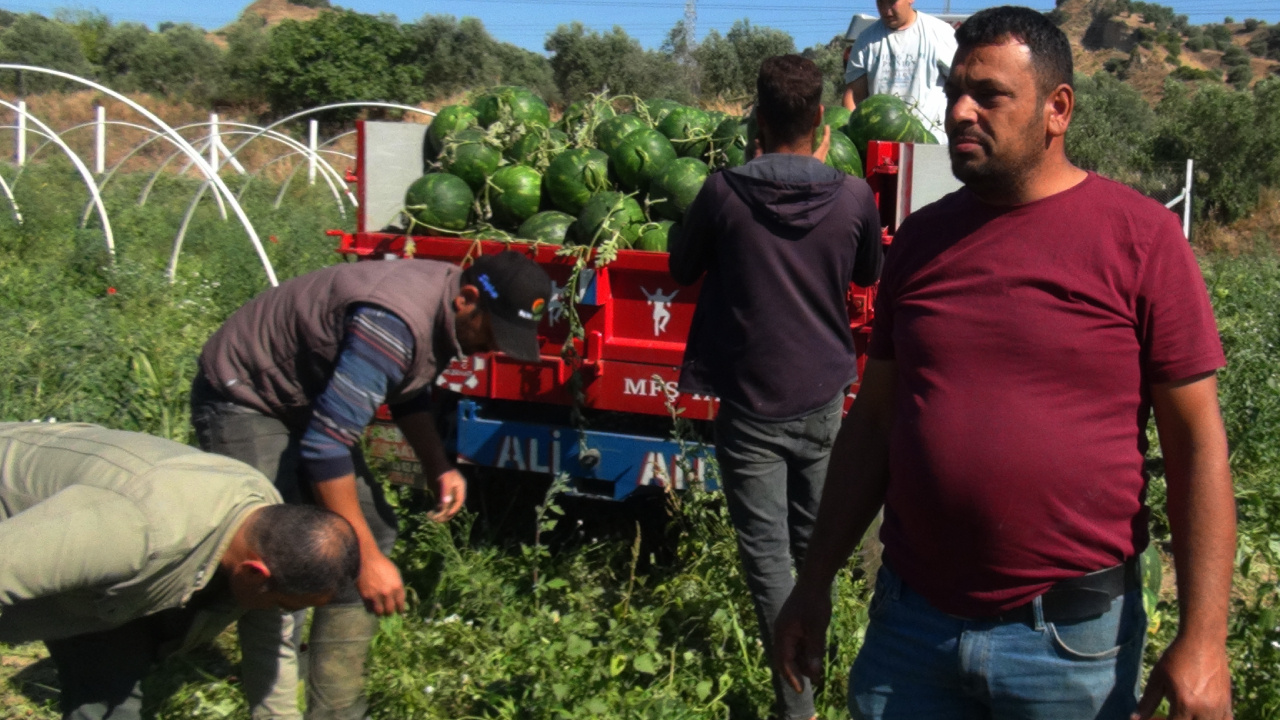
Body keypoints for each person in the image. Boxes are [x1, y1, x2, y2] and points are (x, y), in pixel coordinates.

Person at [776, 7, 1235, 720]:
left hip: (1070, 643)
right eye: (955, 90)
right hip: (911, 629)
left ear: (1057, 109)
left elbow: (1198, 444)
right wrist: (814, 582)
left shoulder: (1140, 239)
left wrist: (1204, 638)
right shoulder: (923, 241)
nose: (959, 111)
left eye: (988, 95)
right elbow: (873, 426)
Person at [191, 250, 552, 719]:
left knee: (369, 532)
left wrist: (436, 464)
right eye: (494, 332)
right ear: (468, 299)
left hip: (306, 400)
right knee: (278, 557)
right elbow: (326, 446)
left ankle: (337, 710)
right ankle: (164, 635)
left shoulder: (442, 309)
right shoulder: (393, 321)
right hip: (247, 395)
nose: (495, 347)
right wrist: (366, 562)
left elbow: (409, 389)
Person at [670, 54, 884, 720]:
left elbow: (681, 267)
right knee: (812, 551)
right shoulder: (853, 196)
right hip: (824, 399)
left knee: (769, 562)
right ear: (822, 118)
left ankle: (798, 708)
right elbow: (868, 268)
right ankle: (825, 671)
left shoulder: (722, 192)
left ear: (756, 120)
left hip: (750, 407)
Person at [0, 421, 360, 720]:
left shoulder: (265, 524)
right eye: (286, 605)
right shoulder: (136, 530)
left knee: (112, 689)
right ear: (254, 574)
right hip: (20, 528)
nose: (284, 615)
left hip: (96, 572)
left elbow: (270, 645)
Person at [842, 0, 958, 140]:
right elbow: (854, 96)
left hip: (931, 144)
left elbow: (962, 88)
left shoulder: (940, 33)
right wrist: (855, 137)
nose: (886, 10)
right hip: (881, 145)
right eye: (880, 3)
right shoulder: (865, 41)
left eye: (892, 2)